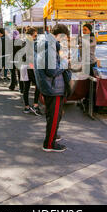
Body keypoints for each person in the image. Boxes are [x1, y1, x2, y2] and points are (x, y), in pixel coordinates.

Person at [34, 24, 71, 153]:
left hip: (49, 85)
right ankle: (49, 143)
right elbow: (52, 70)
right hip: (53, 86)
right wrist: (65, 63)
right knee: (54, 116)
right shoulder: (49, 47)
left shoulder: (46, 44)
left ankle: (52, 135)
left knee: (53, 115)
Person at [20, 27, 42, 116]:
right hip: (29, 67)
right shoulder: (28, 43)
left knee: (26, 87)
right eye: (35, 35)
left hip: (24, 67)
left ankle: (27, 106)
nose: (36, 37)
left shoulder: (25, 42)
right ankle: (35, 105)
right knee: (37, 85)